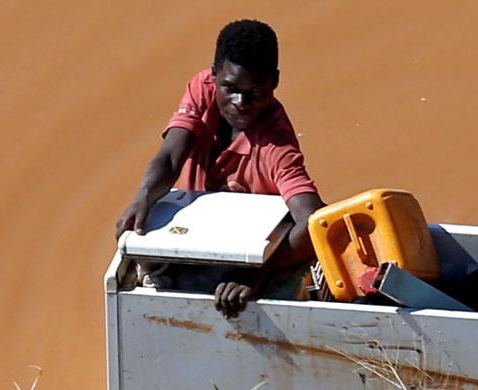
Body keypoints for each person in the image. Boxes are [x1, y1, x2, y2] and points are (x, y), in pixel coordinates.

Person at [114, 20, 324, 318]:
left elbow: (315, 222)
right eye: (230, 88)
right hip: (195, 237)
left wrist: (255, 273)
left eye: (256, 92)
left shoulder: (277, 148)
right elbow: (171, 157)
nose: (240, 103)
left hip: (247, 255)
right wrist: (143, 197)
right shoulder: (202, 89)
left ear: (274, 82)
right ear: (214, 76)